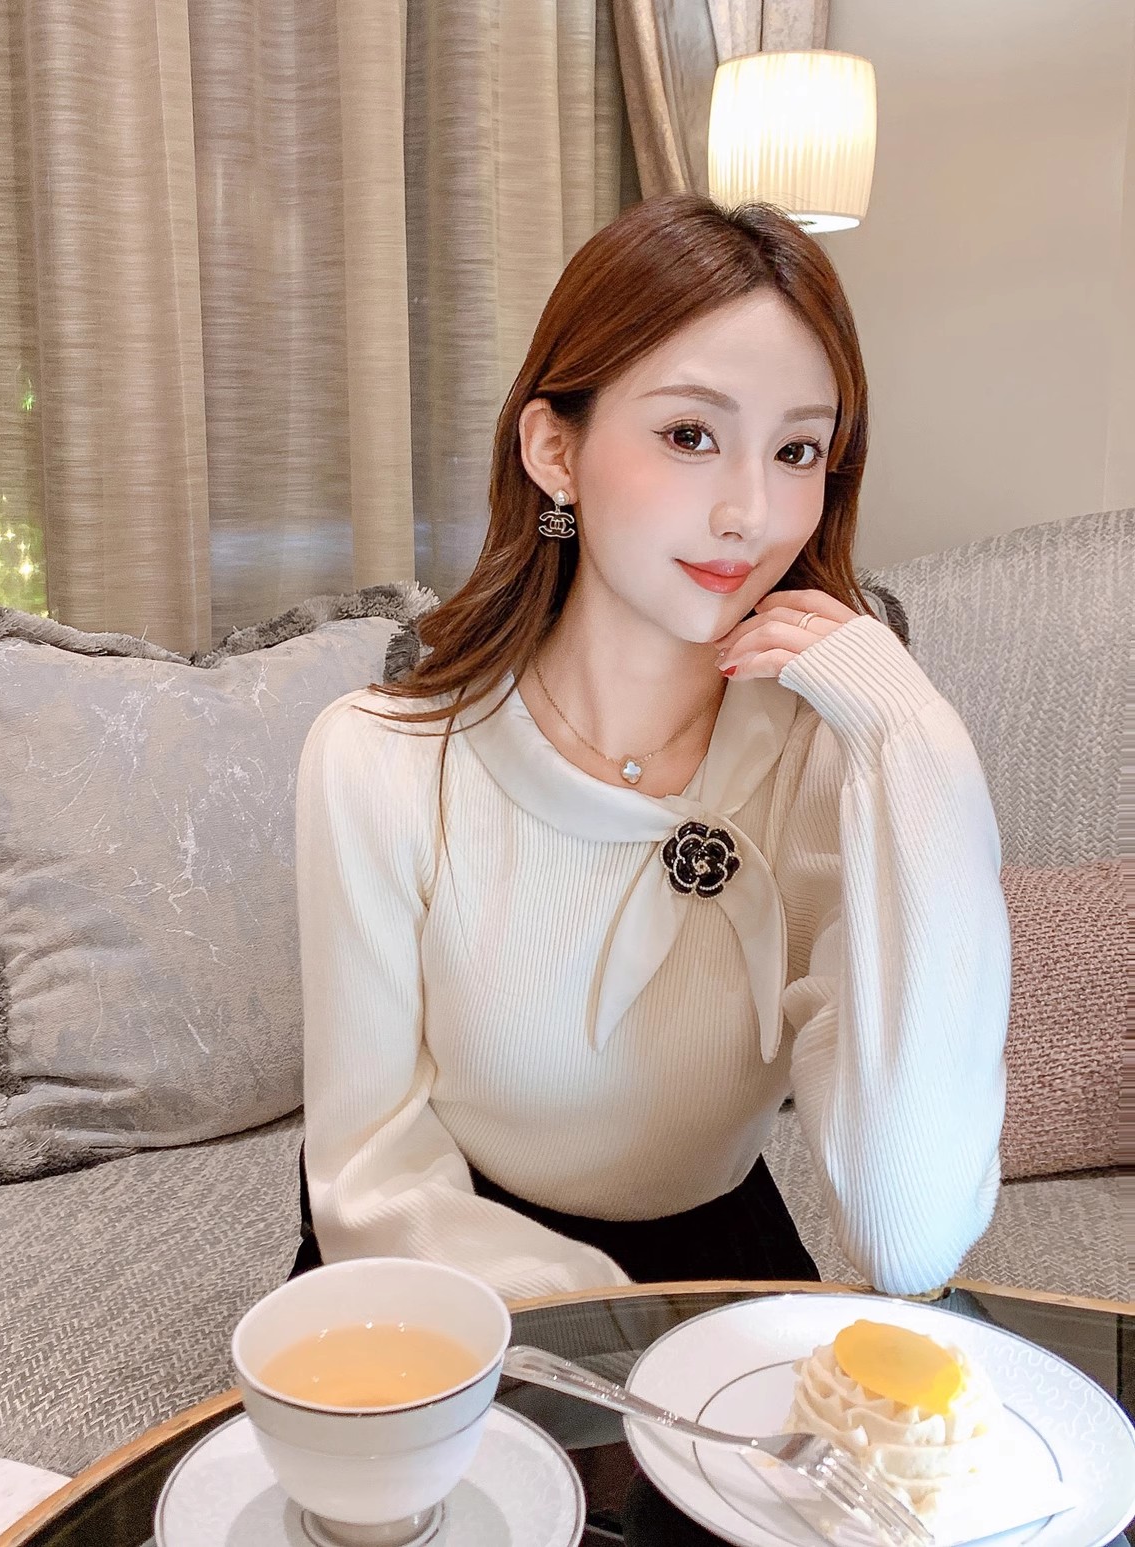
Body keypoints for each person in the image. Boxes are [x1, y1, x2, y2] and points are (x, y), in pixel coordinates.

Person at [290, 194, 1010, 1301]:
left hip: (720, 1263)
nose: (750, 513)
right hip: (438, 1270)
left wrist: (914, 741)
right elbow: (370, 1175)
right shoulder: (378, 761)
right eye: (689, 436)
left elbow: (909, 1233)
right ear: (554, 449)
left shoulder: (829, 765)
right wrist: (616, 1336)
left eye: (797, 449)